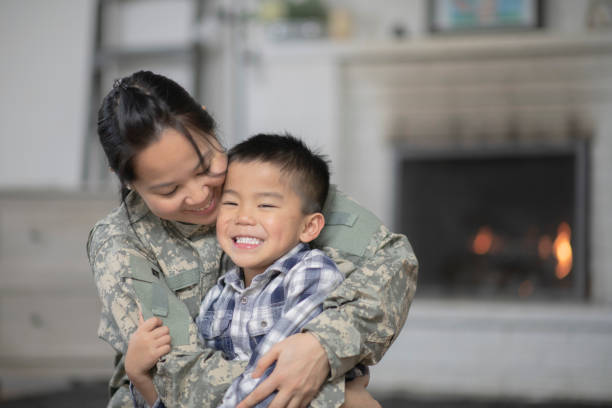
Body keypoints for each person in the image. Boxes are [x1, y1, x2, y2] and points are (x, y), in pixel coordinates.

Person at [88, 70, 418, 408]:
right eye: (169, 190)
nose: (201, 194)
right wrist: (336, 396)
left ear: (208, 122)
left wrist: (323, 346)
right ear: (126, 180)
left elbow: (392, 261)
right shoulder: (120, 243)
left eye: (204, 168)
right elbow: (175, 372)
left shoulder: (264, 174)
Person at [126, 134, 374, 407]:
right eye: (230, 203)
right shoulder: (218, 296)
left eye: (265, 205)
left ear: (308, 227)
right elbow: (191, 389)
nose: (243, 217)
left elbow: (273, 375)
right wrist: (141, 377)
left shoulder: (312, 275)